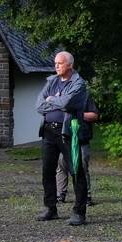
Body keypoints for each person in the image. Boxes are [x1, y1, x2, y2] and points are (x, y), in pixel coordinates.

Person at [36, 51, 89, 225]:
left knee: (76, 171)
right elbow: (39, 105)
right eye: (55, 63)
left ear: (69, 65)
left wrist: (53, 100)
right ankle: (50, 208)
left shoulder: (78, 84)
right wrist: (56, 100)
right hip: (49, 132)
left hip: (68, 132)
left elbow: (67, 103)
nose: (56, 66)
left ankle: (79, 213)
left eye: (60, 63)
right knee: (47, 172)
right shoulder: (52, 81)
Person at [56, 95, 99, 206]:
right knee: (61, 165)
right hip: (64, 139)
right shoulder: (59, 97)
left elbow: (94, 116)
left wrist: (78, 115)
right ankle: (60, 194)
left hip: (81, 139)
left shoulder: (85, 97)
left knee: (82, 167)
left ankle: (87, 196)